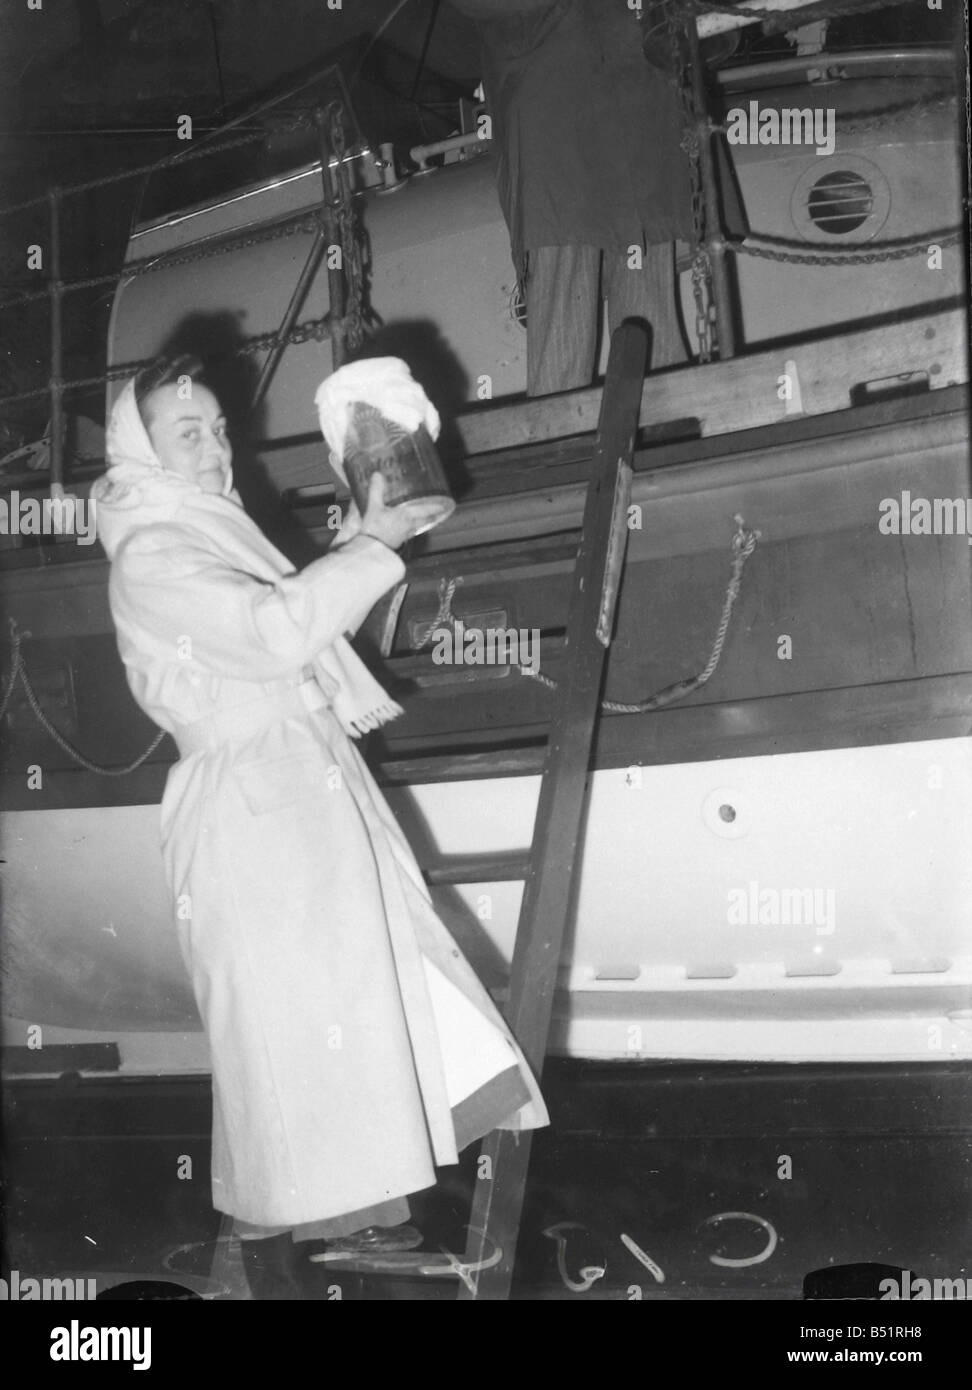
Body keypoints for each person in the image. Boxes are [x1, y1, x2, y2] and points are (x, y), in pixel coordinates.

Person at [92, 355, 548, 1299]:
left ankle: (342, 1219)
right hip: (254, 804)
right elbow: (269, 634)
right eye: (190, 433)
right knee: (303, 1023)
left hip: (292, 785)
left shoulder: (201, 529)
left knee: (327, 1014)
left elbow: (284, 630)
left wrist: (362, 545)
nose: (217, 446)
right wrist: (372, 545)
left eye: (220, 428)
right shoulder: (153, 550)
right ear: (143, 451)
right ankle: (338, 1227)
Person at [454, 0, 694, 394]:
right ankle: (560, 443)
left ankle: (666, 429)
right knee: (562, 306)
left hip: (635, 100)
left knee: (649, 303)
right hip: (554, 117)